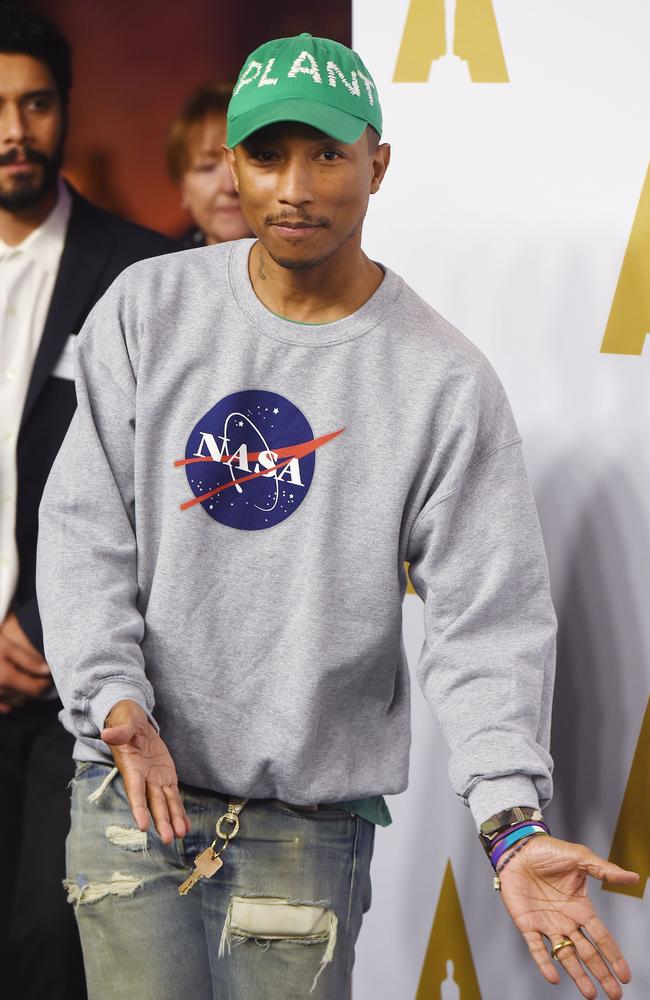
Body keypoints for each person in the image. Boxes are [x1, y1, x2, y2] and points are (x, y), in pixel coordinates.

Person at [36, 32, 638, 1000]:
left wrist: (509, 819)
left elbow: (487, 622)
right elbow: (82, 527)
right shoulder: (148, 308)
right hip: (128, 788)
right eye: (267, 155)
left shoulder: (440, 379)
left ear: (377, 163)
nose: (295, 187)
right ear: (231, 162)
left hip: (306, 827)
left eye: (326, 153)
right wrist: (113, 701)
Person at [0, 6, 178, 999]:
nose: (13, 130)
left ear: (67, 109)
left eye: (34, 102)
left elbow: (157, 495)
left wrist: (44, 629)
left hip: (67, 684)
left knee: (44, 955)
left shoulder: (143, 273)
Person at [166, 83, 251, 248]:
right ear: (182, 186)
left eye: (243, 162)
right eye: (207, 167)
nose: (230, 186)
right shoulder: (163, 271)